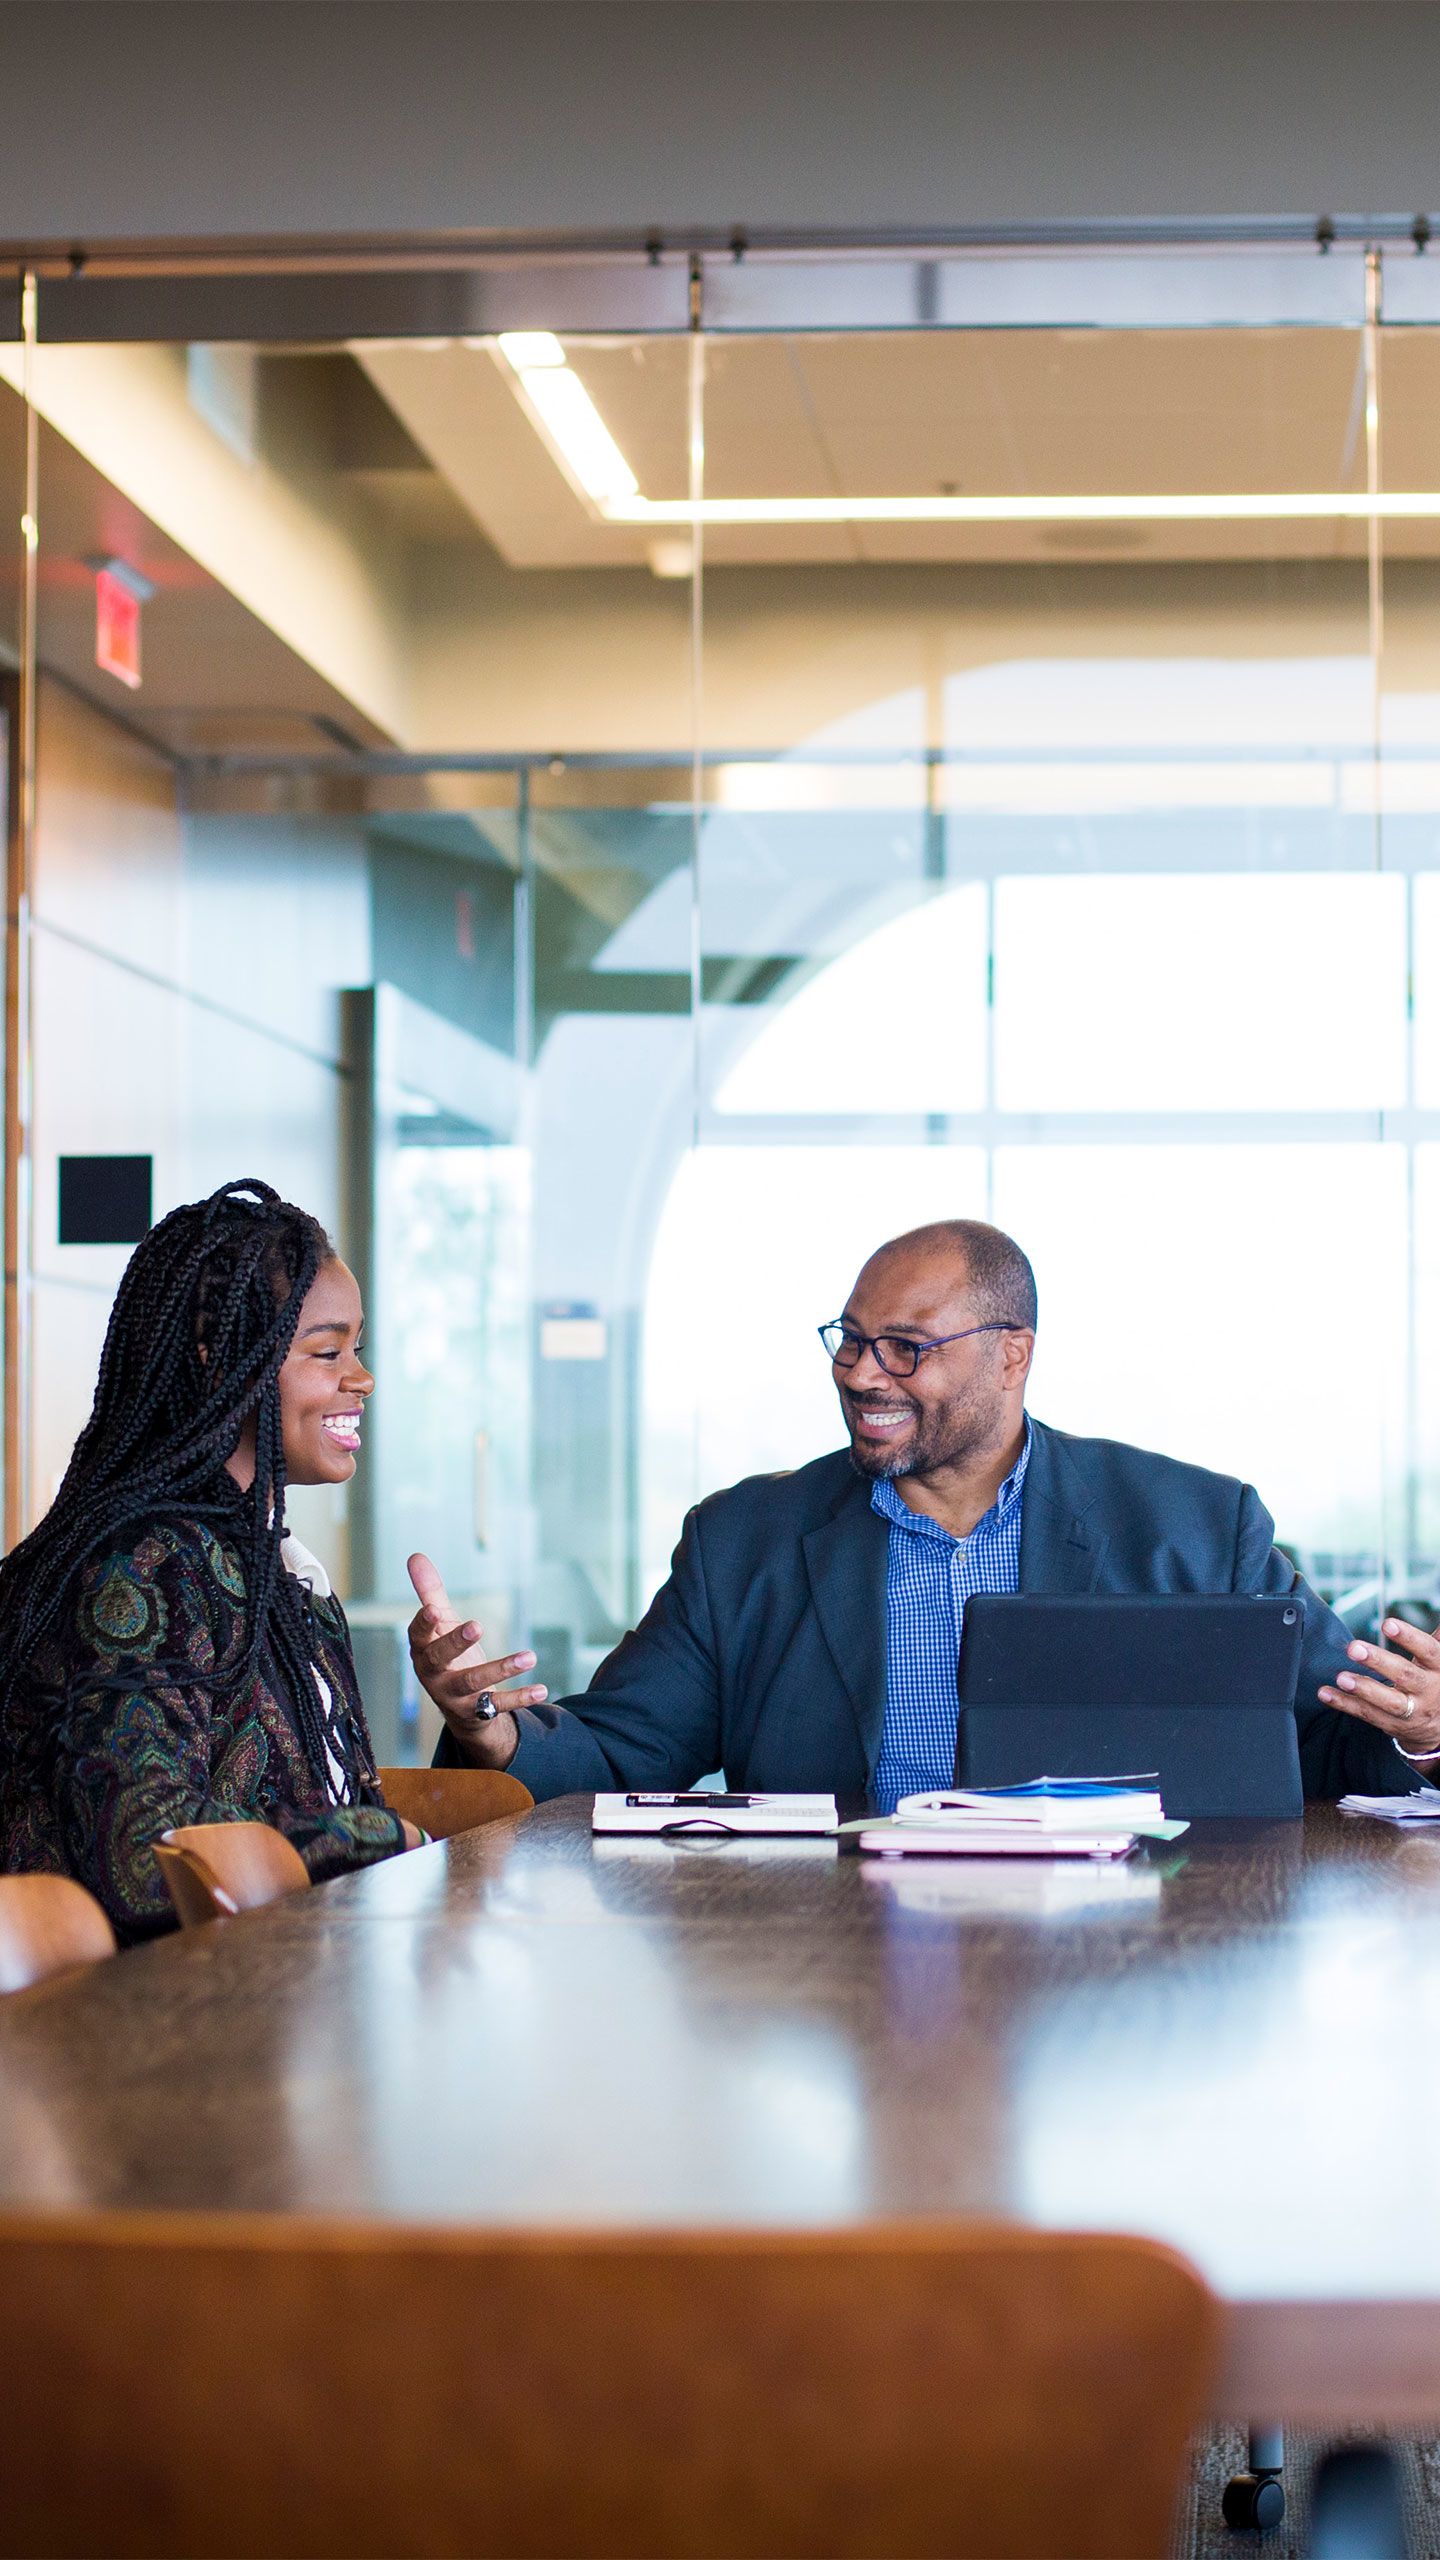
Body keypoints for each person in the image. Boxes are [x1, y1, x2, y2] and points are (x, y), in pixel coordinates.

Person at [409, 1218, 1440, 1806]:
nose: (862, 1371)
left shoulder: (1199, 1528)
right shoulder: (744, 1543)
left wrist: (1425, 1732)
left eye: (906, 1345)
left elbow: (1335, 1741)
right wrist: (492, 1727)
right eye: (850, 1339)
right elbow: (621, 1750)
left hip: (1116, 1950)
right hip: (834, 1948)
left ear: (1013, 1352)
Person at [0, 1178, 420, 1939]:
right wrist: (380, 1836)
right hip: (141, 2033)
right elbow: (148, 1863)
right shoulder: (136, 1572)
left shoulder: (277, 1571)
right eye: (327, 1350)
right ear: (218, 1354)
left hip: (284, 1992)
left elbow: (325, 1799)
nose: (360, 1378)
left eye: (356, 1348)